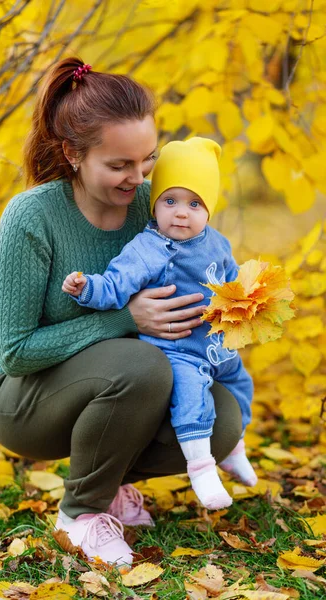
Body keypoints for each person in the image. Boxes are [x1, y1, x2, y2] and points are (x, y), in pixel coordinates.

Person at [0, 57, 243, 567]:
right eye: (119, 165)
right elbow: (13, 353)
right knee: (140, 365)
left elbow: (202, 273)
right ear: (72, 153)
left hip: (119, 389)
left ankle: (108, 478)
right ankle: (81, 515)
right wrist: (126, 318)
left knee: (222, 417)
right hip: (21, 398)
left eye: (146, 161)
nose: (137, 178)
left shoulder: (155, 205)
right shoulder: (32, 217)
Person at [62, 136, 258, 511]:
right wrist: (89, 288)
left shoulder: (216, 243)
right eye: (170, 201)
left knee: (239, 385)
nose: (181, 213)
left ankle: (234, 447)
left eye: (194, 203)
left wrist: (246, 302)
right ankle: (201, 467)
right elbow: (117, 283)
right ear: (155, 206)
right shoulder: (148, 248)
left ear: (209, 210)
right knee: (191, 398)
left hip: (216, 342)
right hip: (178, 348)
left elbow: (232, 281)